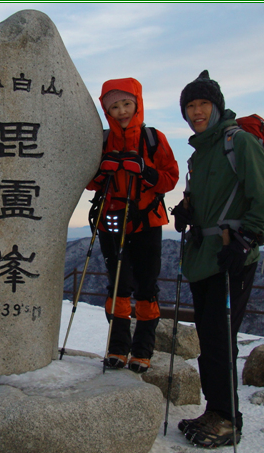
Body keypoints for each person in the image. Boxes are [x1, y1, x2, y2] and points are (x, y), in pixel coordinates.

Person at [171, 70, 264, 448]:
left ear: (216, 106)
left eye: (202, 104)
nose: (196, 112)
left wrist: (246, 239)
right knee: (211, 339)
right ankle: (215, 410)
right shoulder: (200, 152)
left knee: (220, 340)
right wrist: (185, 212)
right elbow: (207, 201)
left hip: (231, 258)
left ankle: (229, 419)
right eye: (190, 106)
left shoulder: (239, 143)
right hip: (203, 257)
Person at [87, 77, 179, 373]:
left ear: (137, 103)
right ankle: (117, 349)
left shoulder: (153, 138)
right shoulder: (100, 140)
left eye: (127, 103)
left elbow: (170, 178)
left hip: (147, 221)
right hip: (110, 222)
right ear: (106, 110)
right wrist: (104, 171)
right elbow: (88, 182)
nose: (122, 111)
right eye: (114, 106)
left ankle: (142, 351)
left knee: (146, 287)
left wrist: (145, 171)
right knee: (118, 286)